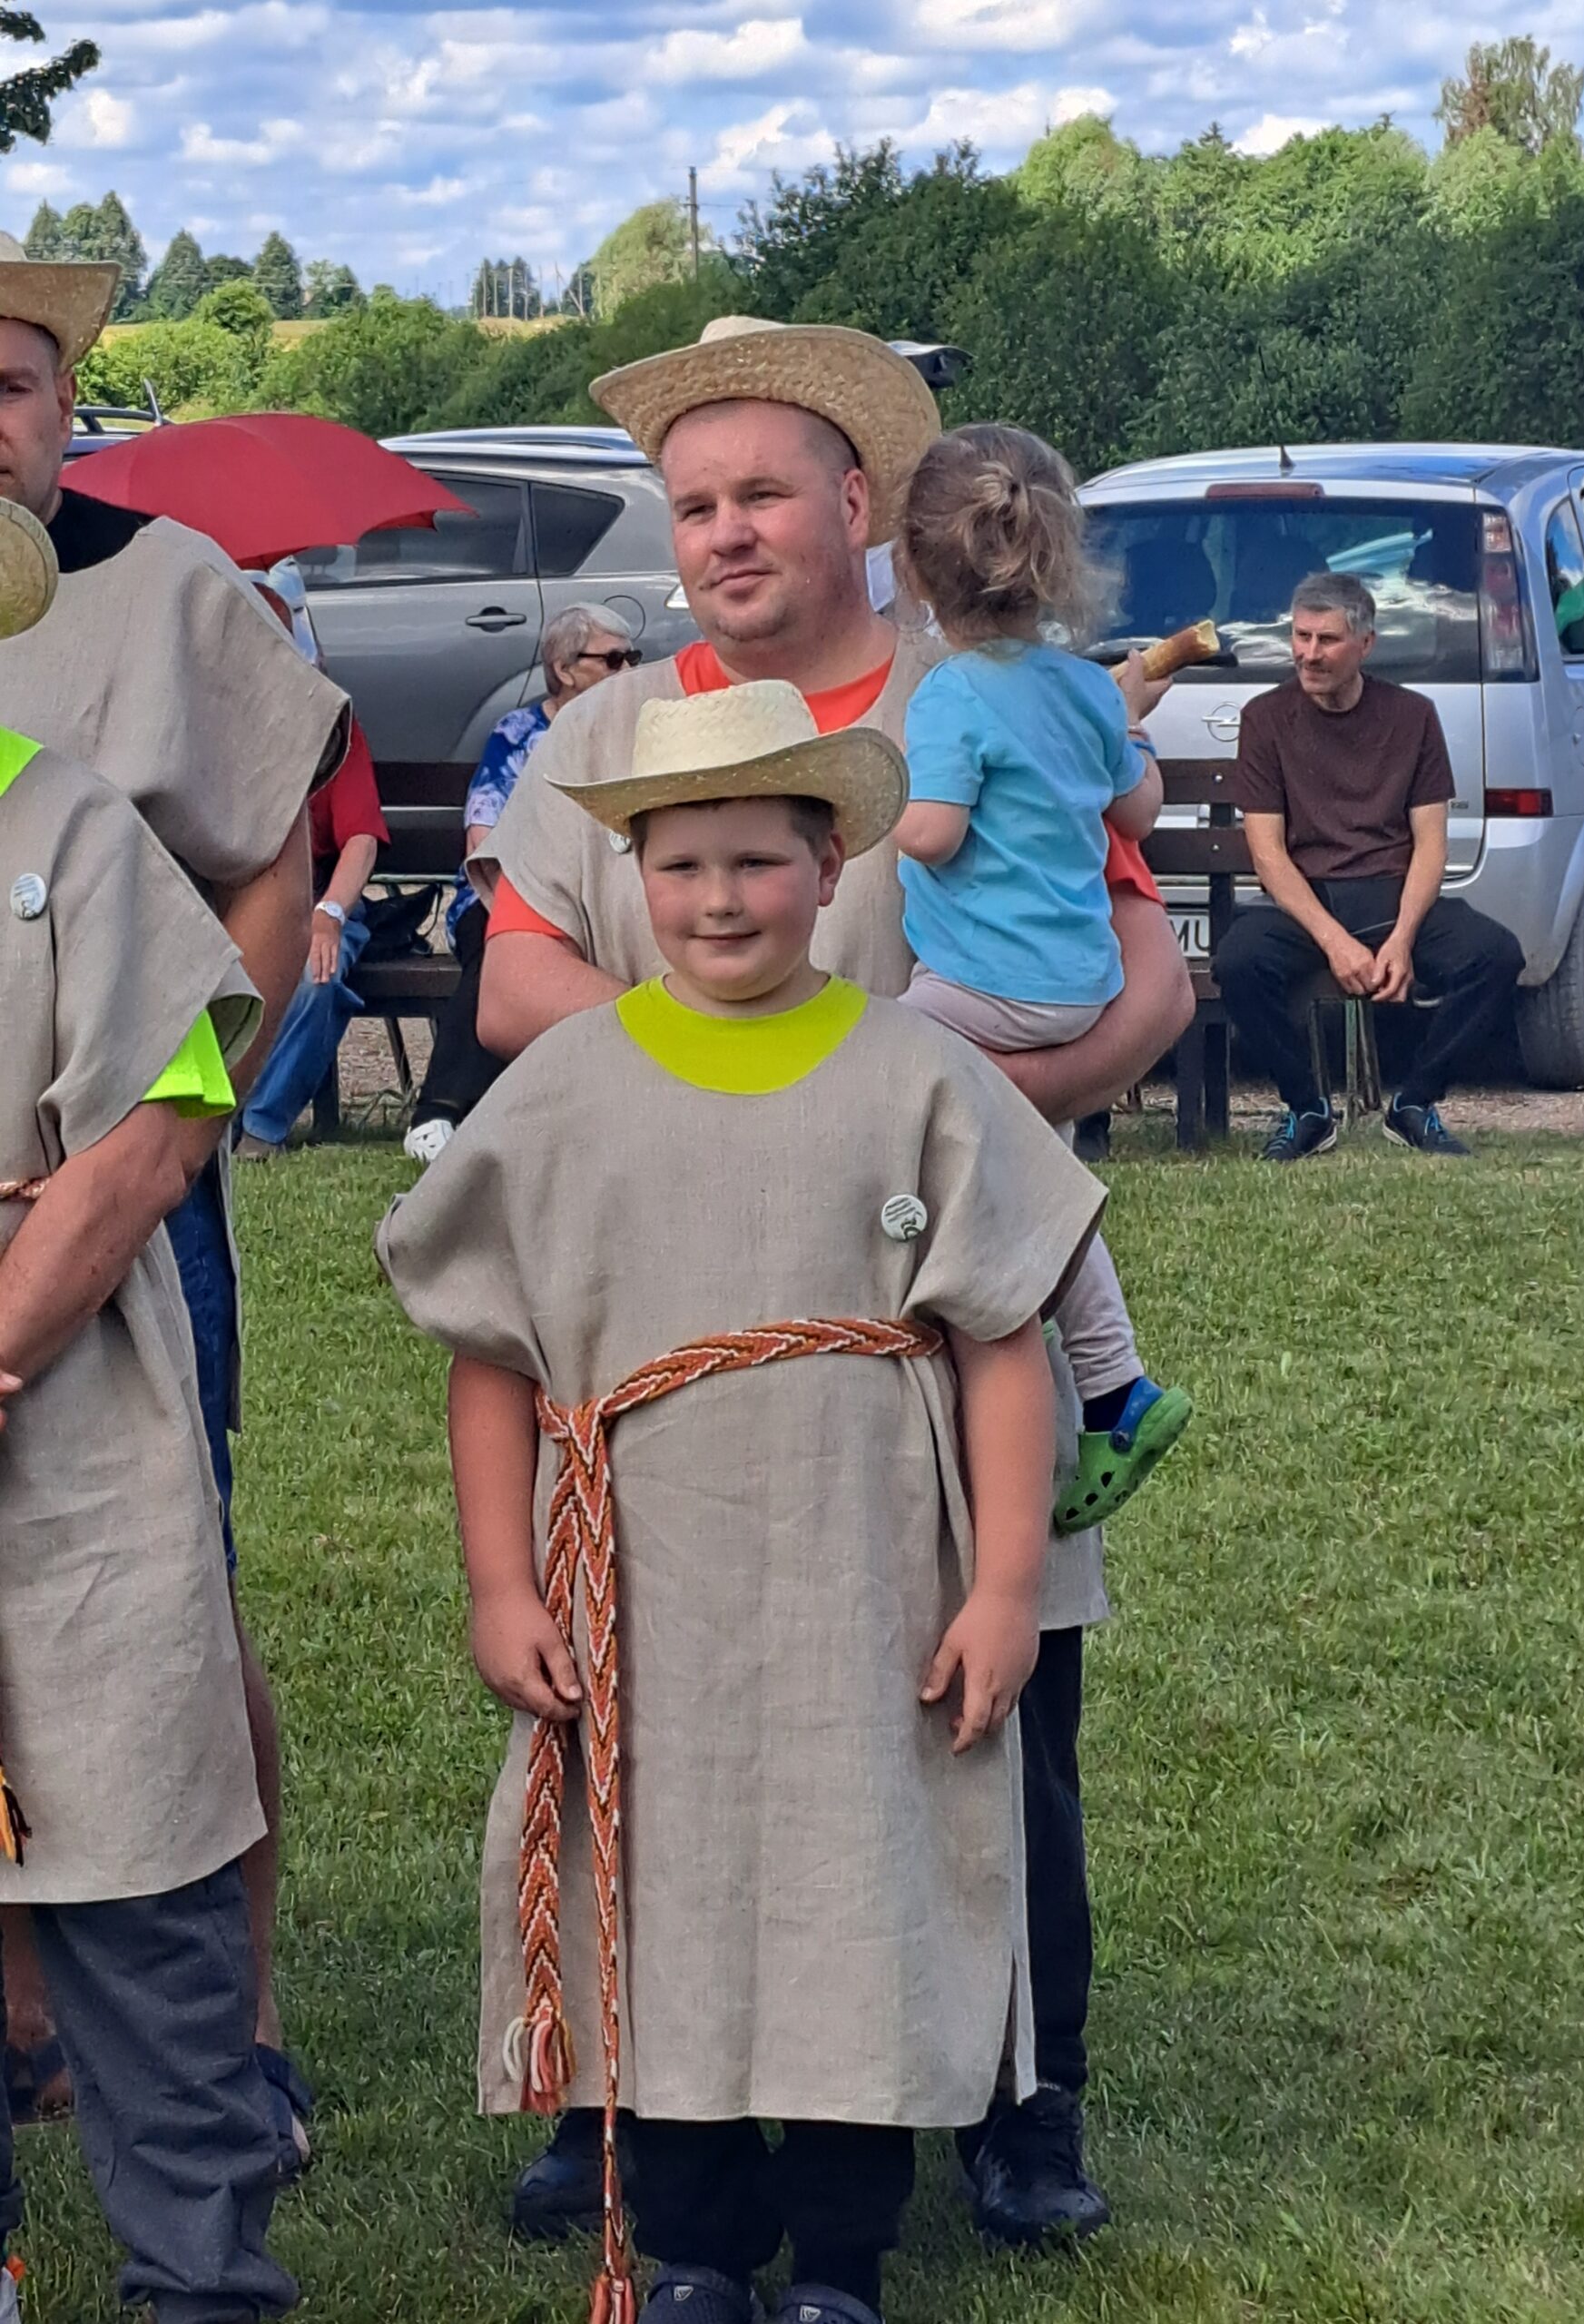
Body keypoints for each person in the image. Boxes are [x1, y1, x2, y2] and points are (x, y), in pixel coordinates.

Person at [471, 314, 1195, 2249]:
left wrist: (949, 1114)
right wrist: (730, 1085)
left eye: (763, 494)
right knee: (654, 1711)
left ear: (860, 501)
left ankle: (1018, 2095)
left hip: (938, 1312)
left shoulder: (988, 686)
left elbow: (1150, 968)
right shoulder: (613, 737)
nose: (723, 532)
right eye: (694, 503)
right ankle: (622, 2090)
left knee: (995, 1701)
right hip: (678, 1324)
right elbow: (515, 979)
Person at [379, 680, 1108, 2324]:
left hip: (868, 1584)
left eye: (759, 863)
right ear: (633, 872)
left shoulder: (920, 1077)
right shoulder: (562, 1090)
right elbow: (492, 1357)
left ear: (832, 865)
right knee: (666, 1886)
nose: (721, 900)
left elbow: (1000, 1344)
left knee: (862, 1872)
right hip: (648, 1589)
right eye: (683, 864)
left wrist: (1006, 1585)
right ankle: (697, 2246)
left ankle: (842, 2251)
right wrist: (503, 1585)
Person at [0, 231, 345, 2162]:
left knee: (164, 1582)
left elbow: (269, 875)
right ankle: (29, 2006)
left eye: (9, 383)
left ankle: (237, 2012)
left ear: (67, 402)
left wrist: (183, 1122)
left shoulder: (167, 591)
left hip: (132, 1165)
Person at [0, 500, 297, 2323]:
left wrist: (3, 1333)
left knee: (131, 1842)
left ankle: (199, 2275)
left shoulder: (67, 823)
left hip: (67, 1428)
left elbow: (172, 1096)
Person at [892, 421, 1192, 1532]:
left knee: (882, 1059)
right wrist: (1130, 724)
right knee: (1033, 1177)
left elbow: (932, 834)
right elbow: (1139, 812)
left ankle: (1098, 1380)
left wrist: (861, 801)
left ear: (915, 570)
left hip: (983, 986)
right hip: (1081, 981)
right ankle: (1108, 1390)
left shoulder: (949, 696)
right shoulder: (1084, 689)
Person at [1215, 570, 1524, 1162]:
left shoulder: (1412, 715)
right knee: (1239, 961)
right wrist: (1334, 942)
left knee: (1495, 954)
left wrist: (1402, 939)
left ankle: (1415, 1104)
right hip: (1309, 903)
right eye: (1301, 636)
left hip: (1391, 895)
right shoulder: (1265, 718)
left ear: (1365, 644)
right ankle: (1307, 1109)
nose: (1309, 654)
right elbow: (1268, 854)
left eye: (1327, 640)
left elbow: (1430, 844)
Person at [403, 603, 643, 1165]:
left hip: (596, 898)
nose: (629, 670)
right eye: (613, 660)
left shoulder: (631, 734)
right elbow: (482, 837)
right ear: (565, 668)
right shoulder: (518, 735)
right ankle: (437, 1111)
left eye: (633, 657)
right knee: (508, 946)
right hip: (506, 891)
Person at [236, 720, 389, 1159]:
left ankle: (262, 1128)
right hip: (237, 899)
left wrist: (331, 913)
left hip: (318, 895)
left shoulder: (335, 730)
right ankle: (213, 1125)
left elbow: (361, 840)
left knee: (316, 974)